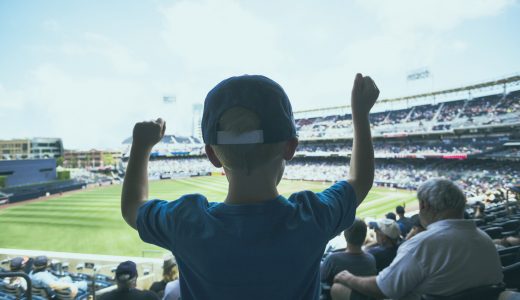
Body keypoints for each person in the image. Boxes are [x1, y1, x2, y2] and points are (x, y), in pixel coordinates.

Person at [121, 73, 380, 299]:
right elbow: (360, 180)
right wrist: (361, 114)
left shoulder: (186, 221)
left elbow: (133, 207)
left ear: (212, 155)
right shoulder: (313, 215)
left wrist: (141, 146)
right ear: (290, 147)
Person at [332, 179, 503, 300]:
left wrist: (349, 278)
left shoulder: (422, 244)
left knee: (339, 288)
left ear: (424, 206)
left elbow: (384, 289)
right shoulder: (485, 239)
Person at [320, 219, 377, 300]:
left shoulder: (333, 259)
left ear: (345, 236)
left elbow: (321, 280)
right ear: (364, 237)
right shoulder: (371, 259)